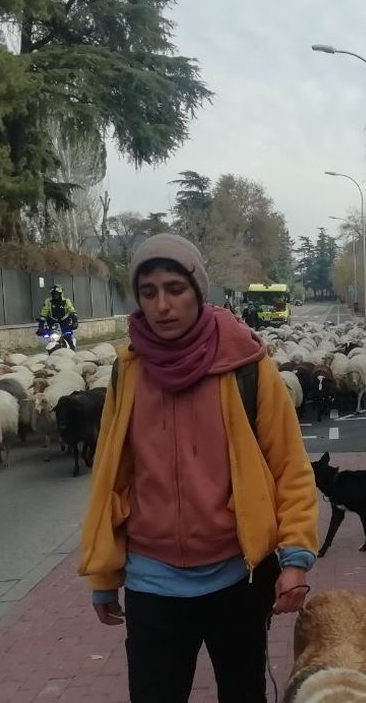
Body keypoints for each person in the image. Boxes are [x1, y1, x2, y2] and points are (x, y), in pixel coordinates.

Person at [78, 234, 318, 703]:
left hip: (236, 576)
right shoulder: (126, 373)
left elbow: (289, 466)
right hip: (153, 581)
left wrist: (295, 557)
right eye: (149, 292)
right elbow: (112, 478)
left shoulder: (247, 367)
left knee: (243, 693)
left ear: (198, 290)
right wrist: (104, 575)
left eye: (175, 288)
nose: (162, 305)